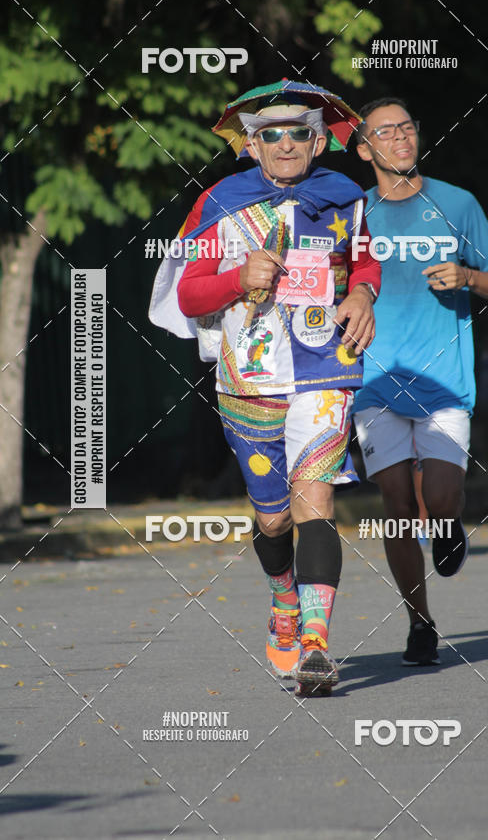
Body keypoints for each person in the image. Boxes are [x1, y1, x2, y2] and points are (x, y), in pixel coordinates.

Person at [150, 82, 380, 693]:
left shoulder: (345, 195)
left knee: (316, 500)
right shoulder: (219, 202)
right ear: (250, 145)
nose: (285, 144)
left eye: (298, 132)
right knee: (274, 519)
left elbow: (366, 260)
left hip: (326, 366)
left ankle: (315, 646)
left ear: (317, 140)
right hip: (248, 376)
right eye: (270, 134)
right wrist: (234, 277)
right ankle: (283, 597)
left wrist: (363, 292)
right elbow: (188, 291)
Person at [353, 96, 488, 665]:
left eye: (407, 127)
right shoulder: (354, 214)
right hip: (374, 380)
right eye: (385, 132)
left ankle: (447, 525)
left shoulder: (457, 204)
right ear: (364, 147)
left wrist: (469, 276)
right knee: (396, 501)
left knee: (439, 498)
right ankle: (420, 623)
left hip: (444, 381)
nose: (400, 138)